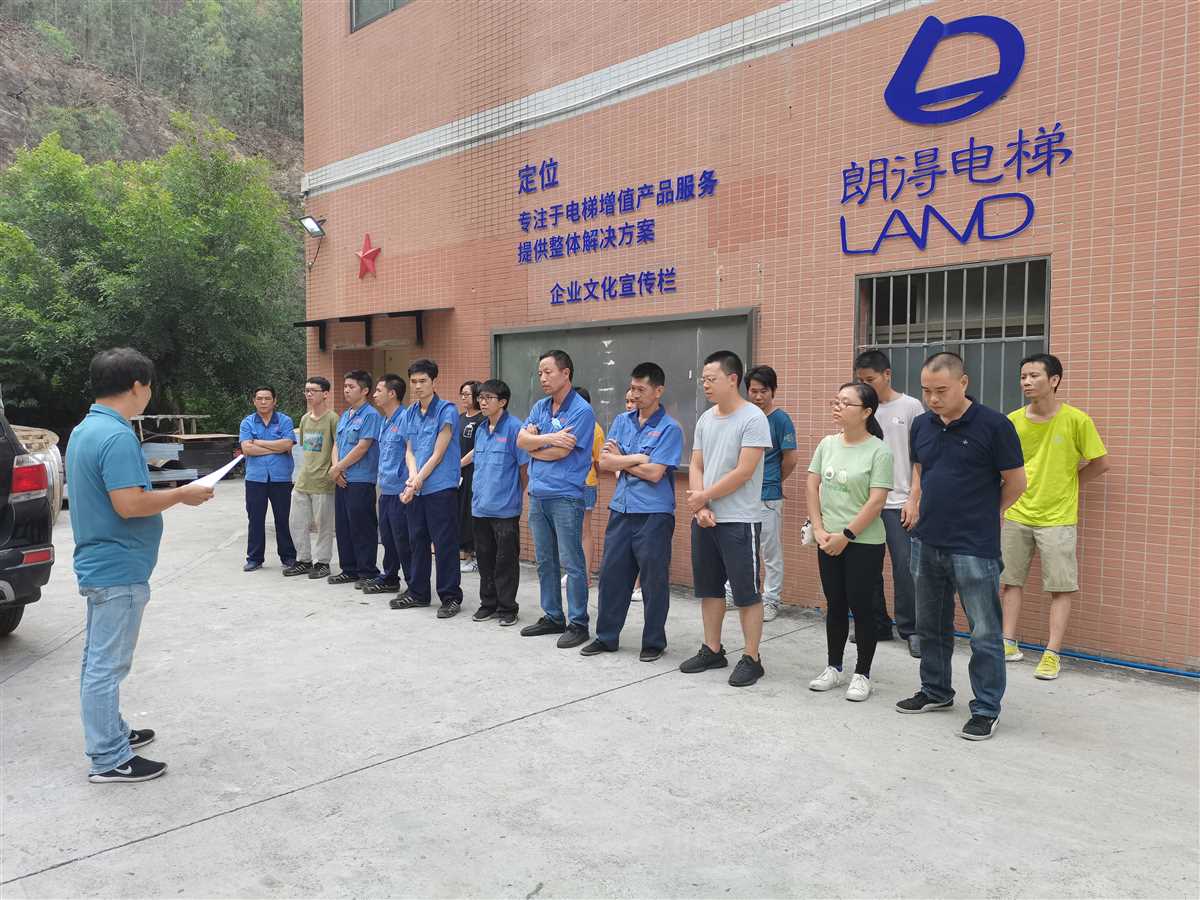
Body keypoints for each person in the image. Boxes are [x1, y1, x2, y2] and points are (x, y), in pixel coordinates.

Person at [66, 348, 214, 783]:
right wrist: (181, 494)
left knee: (98, 659)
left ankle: (113, 732)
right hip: (118, 566)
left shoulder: (86, 429)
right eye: (148, 385)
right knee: (107, 665)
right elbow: (129, 504)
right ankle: (108, 757)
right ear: (137, 386)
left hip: (102, 561)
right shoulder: (116, 437)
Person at [895, 352, 1026, 742]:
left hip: (973, 546)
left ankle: (986, 708)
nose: (933, 399)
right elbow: (921, 469)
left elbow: (1016, 482)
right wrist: (915, 500)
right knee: (930, 624)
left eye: (941, 390)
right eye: (926, 391)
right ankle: (936, 690)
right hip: (926, 540)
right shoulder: (922, 424)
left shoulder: (994, 425)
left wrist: (986, 512)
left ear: (963, 383)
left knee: (984, 631)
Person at [1001, 353, 1109, 680]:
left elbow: (1100, 463)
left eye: (1034, 376)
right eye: (1023, 376)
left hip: (1058, 517)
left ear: (1054, 380)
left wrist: (1070, 484)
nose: (1026, 382)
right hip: (1017, 512)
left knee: (1060, 587)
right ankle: (1007, 642)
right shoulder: (1012, 421)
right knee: (1010, 581)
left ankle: (1052, 653)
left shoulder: (1077, 420)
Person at [680, 350, 772, 687]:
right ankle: (713, 649)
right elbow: (696, 464)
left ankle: (752, 657)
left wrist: (704, 496)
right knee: (709, 588)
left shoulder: (753, 418)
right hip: (706, 517)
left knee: (746, 592)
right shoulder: (706, 419)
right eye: (703, 379)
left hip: (739, 519)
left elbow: (744, 471)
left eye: (711, 379)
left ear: (732, 379)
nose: (705, 384)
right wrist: (700, 506)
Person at [582, 363, 684, 662]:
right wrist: (638, 458)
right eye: (632, 388)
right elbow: (604, 463)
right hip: (621, 509)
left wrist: (623, 460)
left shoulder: (670, 429)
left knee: (653, 580)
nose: (634, 394)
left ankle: (653, 642)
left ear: (658, 391)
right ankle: (606, 637)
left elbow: (655, 473)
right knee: (612, 576)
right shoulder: (621, 421)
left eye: (641, 389)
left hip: (654, 514)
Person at [805, 382, 894, 702]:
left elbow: (876, 501)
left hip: (863, 542)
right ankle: (834, 667)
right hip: (827, 539)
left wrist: (847, 536)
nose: (838, 407)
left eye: (846, 403)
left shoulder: (879, 451)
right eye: (836, 401)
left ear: (867, 412)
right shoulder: (827, 444)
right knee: (835, 604)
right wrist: (818, 529)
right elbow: (812, 485)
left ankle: (862, 674)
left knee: (862, 606)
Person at [516, 349, 596, 649]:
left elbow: (563, 452)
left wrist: (535, 444)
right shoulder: (540, 406)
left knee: (572, 562)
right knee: (545, 560)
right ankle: (552, 615)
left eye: (548, 372)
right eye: (540, 373)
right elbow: (521, 441)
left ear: (566, 373)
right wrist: (547, 439)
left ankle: (578, 623)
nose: (543, 378)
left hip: (565, 496)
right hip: (538, 494)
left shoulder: (581, 411)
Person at [854, 350, 926, 656]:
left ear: (887, 375)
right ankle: (877, 623)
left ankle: (911, 629)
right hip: (867, 501)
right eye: (860, 381)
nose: (865, 386)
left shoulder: (911, 407)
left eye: (870, 380)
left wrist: (914, 498)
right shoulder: (862, 408)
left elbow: (920, 457)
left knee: (905, 568)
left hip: (899, 502)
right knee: (867, 567)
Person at [393, 358, 463, 617]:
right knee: (417, 540)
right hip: (417, 487)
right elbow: (409, 450)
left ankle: (450, 596)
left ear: (435, 381)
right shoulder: (410, 412)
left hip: (440, 487)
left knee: (444, 543)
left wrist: (418, 480)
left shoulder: (447, 410)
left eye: (423, 381)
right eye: (413, 381)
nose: (417, 386)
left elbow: (438, 453)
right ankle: (418, 592)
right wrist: (413, 478)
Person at [739, 365, 797, 622]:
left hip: (768, 496)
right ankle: (736, 592)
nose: (758, 396)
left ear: (773, 391)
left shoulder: (781, 419)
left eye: (764, 391)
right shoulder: (744, 416)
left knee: (770, 551)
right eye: (753, 391)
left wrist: (774, 482)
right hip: (741, 494)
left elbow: (790, 459)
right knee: (740, 547)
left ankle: (771, 599)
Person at [470, 379, 529, 626]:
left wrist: (513, 495)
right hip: (480, 506)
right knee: (484, 559)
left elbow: (524, 469)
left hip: (505, 509)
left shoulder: (515, 428)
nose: (482, 402)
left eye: (488, 398)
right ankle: (488, 604)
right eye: (480, 397)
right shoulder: (481, 429)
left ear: (502, 402)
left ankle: (507, 608)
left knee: (506, 561)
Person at [328, 370, 383, 586]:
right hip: (341, 478)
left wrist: (338, 467)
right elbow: (336, 444)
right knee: (343, 526)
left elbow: (363, 447)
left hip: (360, 479)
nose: (346, 390)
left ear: (365, 390)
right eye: (345, 386)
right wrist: (336, 469)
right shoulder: (345, 415)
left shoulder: (371, 415)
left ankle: (367, 571)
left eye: (351, 387)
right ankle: (348, 569)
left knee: (362, 527)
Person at [364, 374, 414, 602]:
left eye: (378, 390)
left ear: (392, 394)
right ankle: (390, 577)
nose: (374, 394)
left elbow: (412, 453)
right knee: (388, 538)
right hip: (385, 489)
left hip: (401, 491)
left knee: (404, 540)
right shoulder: (385, 420)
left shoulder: (405, 419)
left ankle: (414, 584)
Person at [238, 386, 297, 572]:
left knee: (283, 519)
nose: (263, 402)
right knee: (255, 519)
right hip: (255, 478)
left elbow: (287, 444)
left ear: (274, 401)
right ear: (254, 401)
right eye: (259, 398)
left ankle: (288, 556)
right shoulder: (247, 422)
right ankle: (254, 558)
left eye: (267, 398)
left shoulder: (284, 420)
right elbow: (247, 449)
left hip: (281, 477)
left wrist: (259, 442)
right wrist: (276, 447)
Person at [285, 377, 338, 580]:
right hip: (303, 480)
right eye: (306, 390)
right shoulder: (305, 419)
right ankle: (303, 560)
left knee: (324, 525)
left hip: (323, 481)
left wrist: (333, 471)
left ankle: (322, 562)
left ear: (325, 394)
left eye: (313, 391)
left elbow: (337, 447)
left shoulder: (333, 419)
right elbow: (305, 449)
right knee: (296, 522)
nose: (308, 394)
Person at [573, 386, 606, 585]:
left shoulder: (595, 429)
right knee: (571, 531)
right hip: (566, 484)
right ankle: (574, 572)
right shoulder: (566, 424)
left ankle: (585, 575)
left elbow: (600, 462)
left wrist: (592, 474)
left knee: (584, 529)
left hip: (585, 484)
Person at [457, 380, 484, 574]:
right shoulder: (459, 418)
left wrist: (460, 463)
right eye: (462, 394)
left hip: (473, 471)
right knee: (460, 512)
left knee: (471, 513)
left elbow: (477, 449)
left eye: (467, 394)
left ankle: (476, 557)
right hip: (457, 473)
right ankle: (466, 554)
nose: (464, 398)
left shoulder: (482, 420)